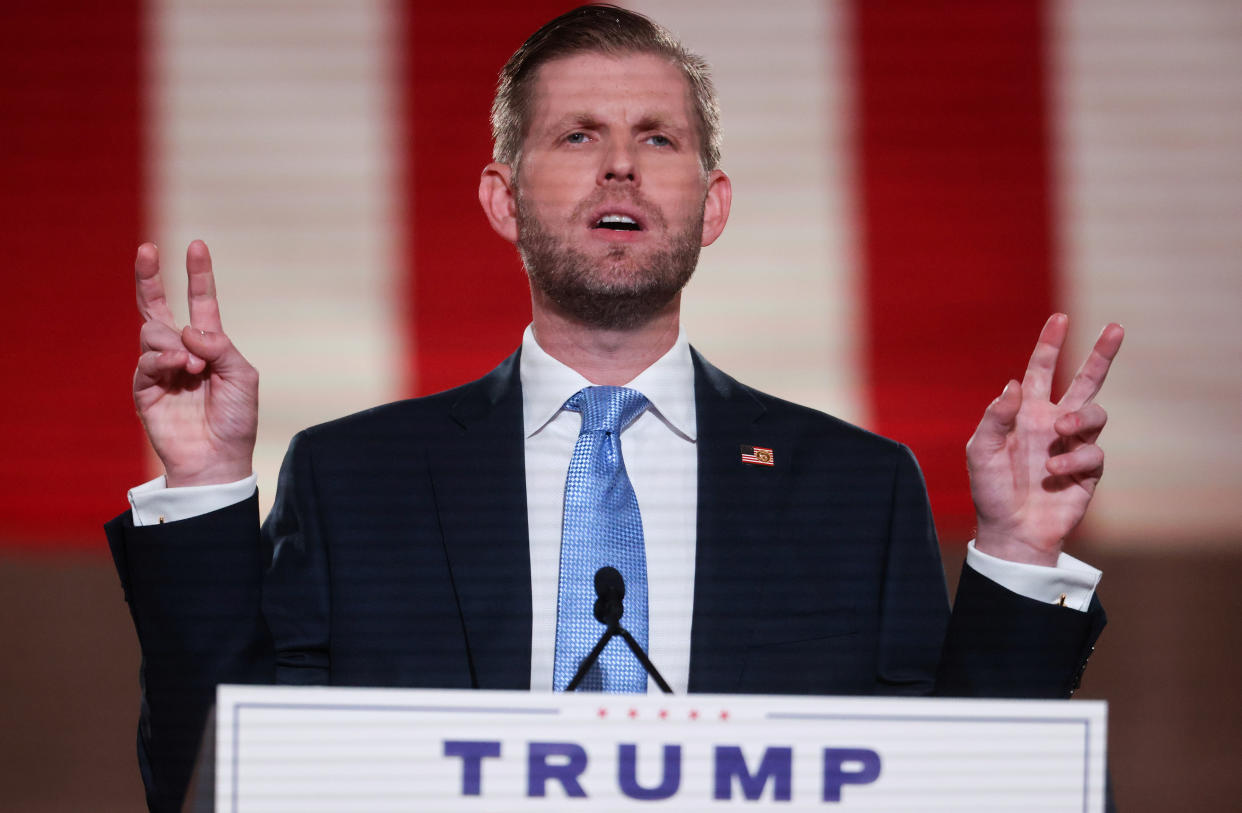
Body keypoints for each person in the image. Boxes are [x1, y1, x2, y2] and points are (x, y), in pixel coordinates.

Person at [106, 5, 1124, 811]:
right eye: (579, 134)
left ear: (711, 204)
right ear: (504, 199)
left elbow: (962, 789)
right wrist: (202, 486)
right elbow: (214, 776)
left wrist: (1018, 555)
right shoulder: (355, 479)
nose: (621, 164)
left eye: (658, 138)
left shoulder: (855, 490)